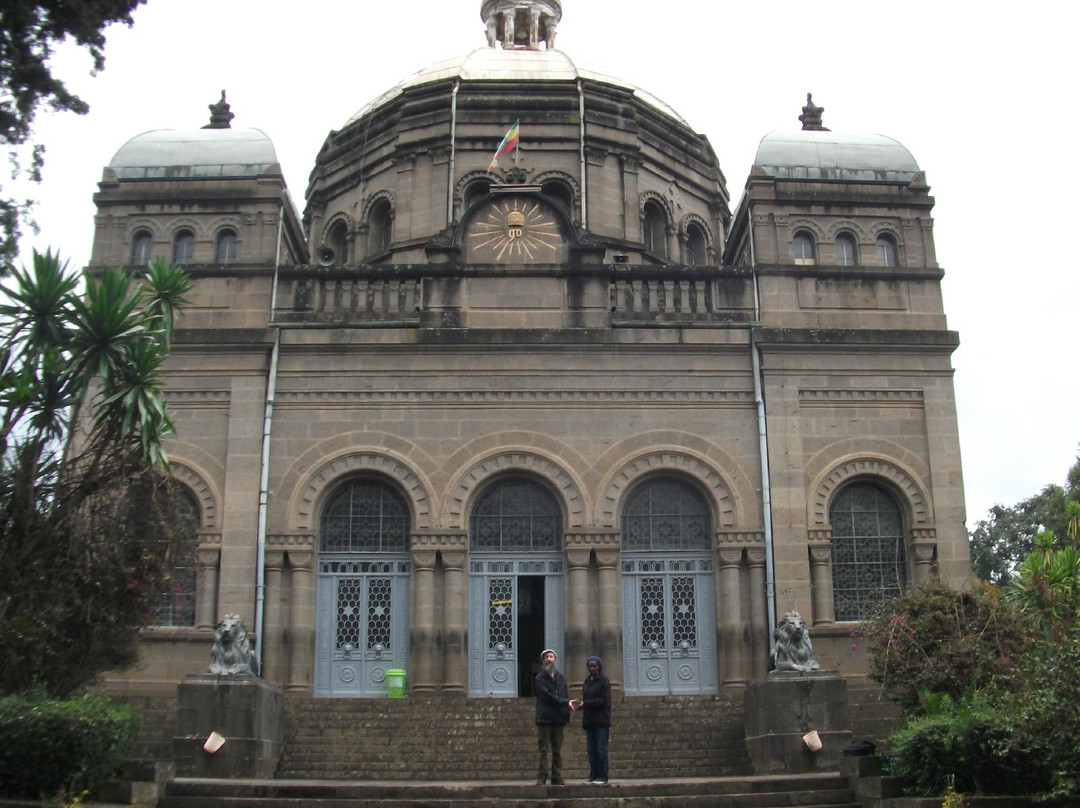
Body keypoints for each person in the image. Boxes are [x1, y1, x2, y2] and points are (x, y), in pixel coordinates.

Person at [533, 648, 572, 785]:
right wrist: (565, 702)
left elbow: (564, 694)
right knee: (543, 749)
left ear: (555, 660)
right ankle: (542, 776)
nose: (549, 659)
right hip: (545, 717)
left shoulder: (561, 678)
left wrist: (567, 709)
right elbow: (546, 695)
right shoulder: (539, 678)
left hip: (559, 717)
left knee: (557, 750)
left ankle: (556, 776)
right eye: (546, 657)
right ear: (543, 661)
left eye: (551, 656)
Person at [574, 655, 611, 784]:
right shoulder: (587, 682)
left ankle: (602, 776)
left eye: (594, 666)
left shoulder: (604, 681)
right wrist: (581, 705)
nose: (592, 668)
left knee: (601, 749)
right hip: (589, 720)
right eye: (589, 666)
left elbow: (603, 700)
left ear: (599, 667)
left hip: (601, 720)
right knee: (591, 750)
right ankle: (593, 774)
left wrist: (586, 704)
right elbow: (587, 699)